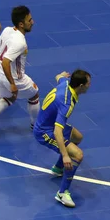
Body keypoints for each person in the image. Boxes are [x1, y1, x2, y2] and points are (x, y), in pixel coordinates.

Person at [33, 69, 91, 208]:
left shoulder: (65, 83)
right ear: (81, 86)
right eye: (88, 83)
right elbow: (58, 131)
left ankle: (58, 168)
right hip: (45, 132)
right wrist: (65, 155)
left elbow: (58, 76)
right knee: (78, 155)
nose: (90, 85)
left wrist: (62, 75)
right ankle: (62, 193)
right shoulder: (67, 103)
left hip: (49, 124)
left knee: (77, 137)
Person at [0, 6, 39, 139]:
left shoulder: (7, 30)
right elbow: (6, 62)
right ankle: (35, 125)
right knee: (34, 95)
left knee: (8, 98)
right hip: (15, 78)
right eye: (30, 20)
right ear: (21, 24)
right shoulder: (20, 42)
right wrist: (12, 83)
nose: (32, 22)